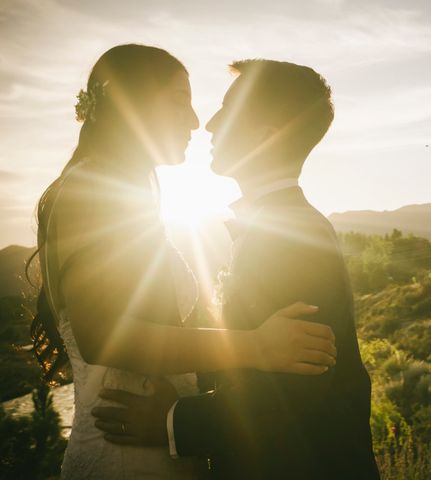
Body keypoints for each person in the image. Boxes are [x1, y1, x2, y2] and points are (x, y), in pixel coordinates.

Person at [30, 45, 337, 480]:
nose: (196, 120)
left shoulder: (129, 197)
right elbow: (102, 336)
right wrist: (257, 345)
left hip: (156, 447)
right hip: (125, 456)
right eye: (179, 99)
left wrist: (178, 416)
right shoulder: (93, 191)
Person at [95, 59, 380, 479]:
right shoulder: (279, 226)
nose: (209, 124)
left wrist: (172, 419)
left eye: (227, 110)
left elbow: (294, 394)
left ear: (265, 138)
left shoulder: (292, 238)